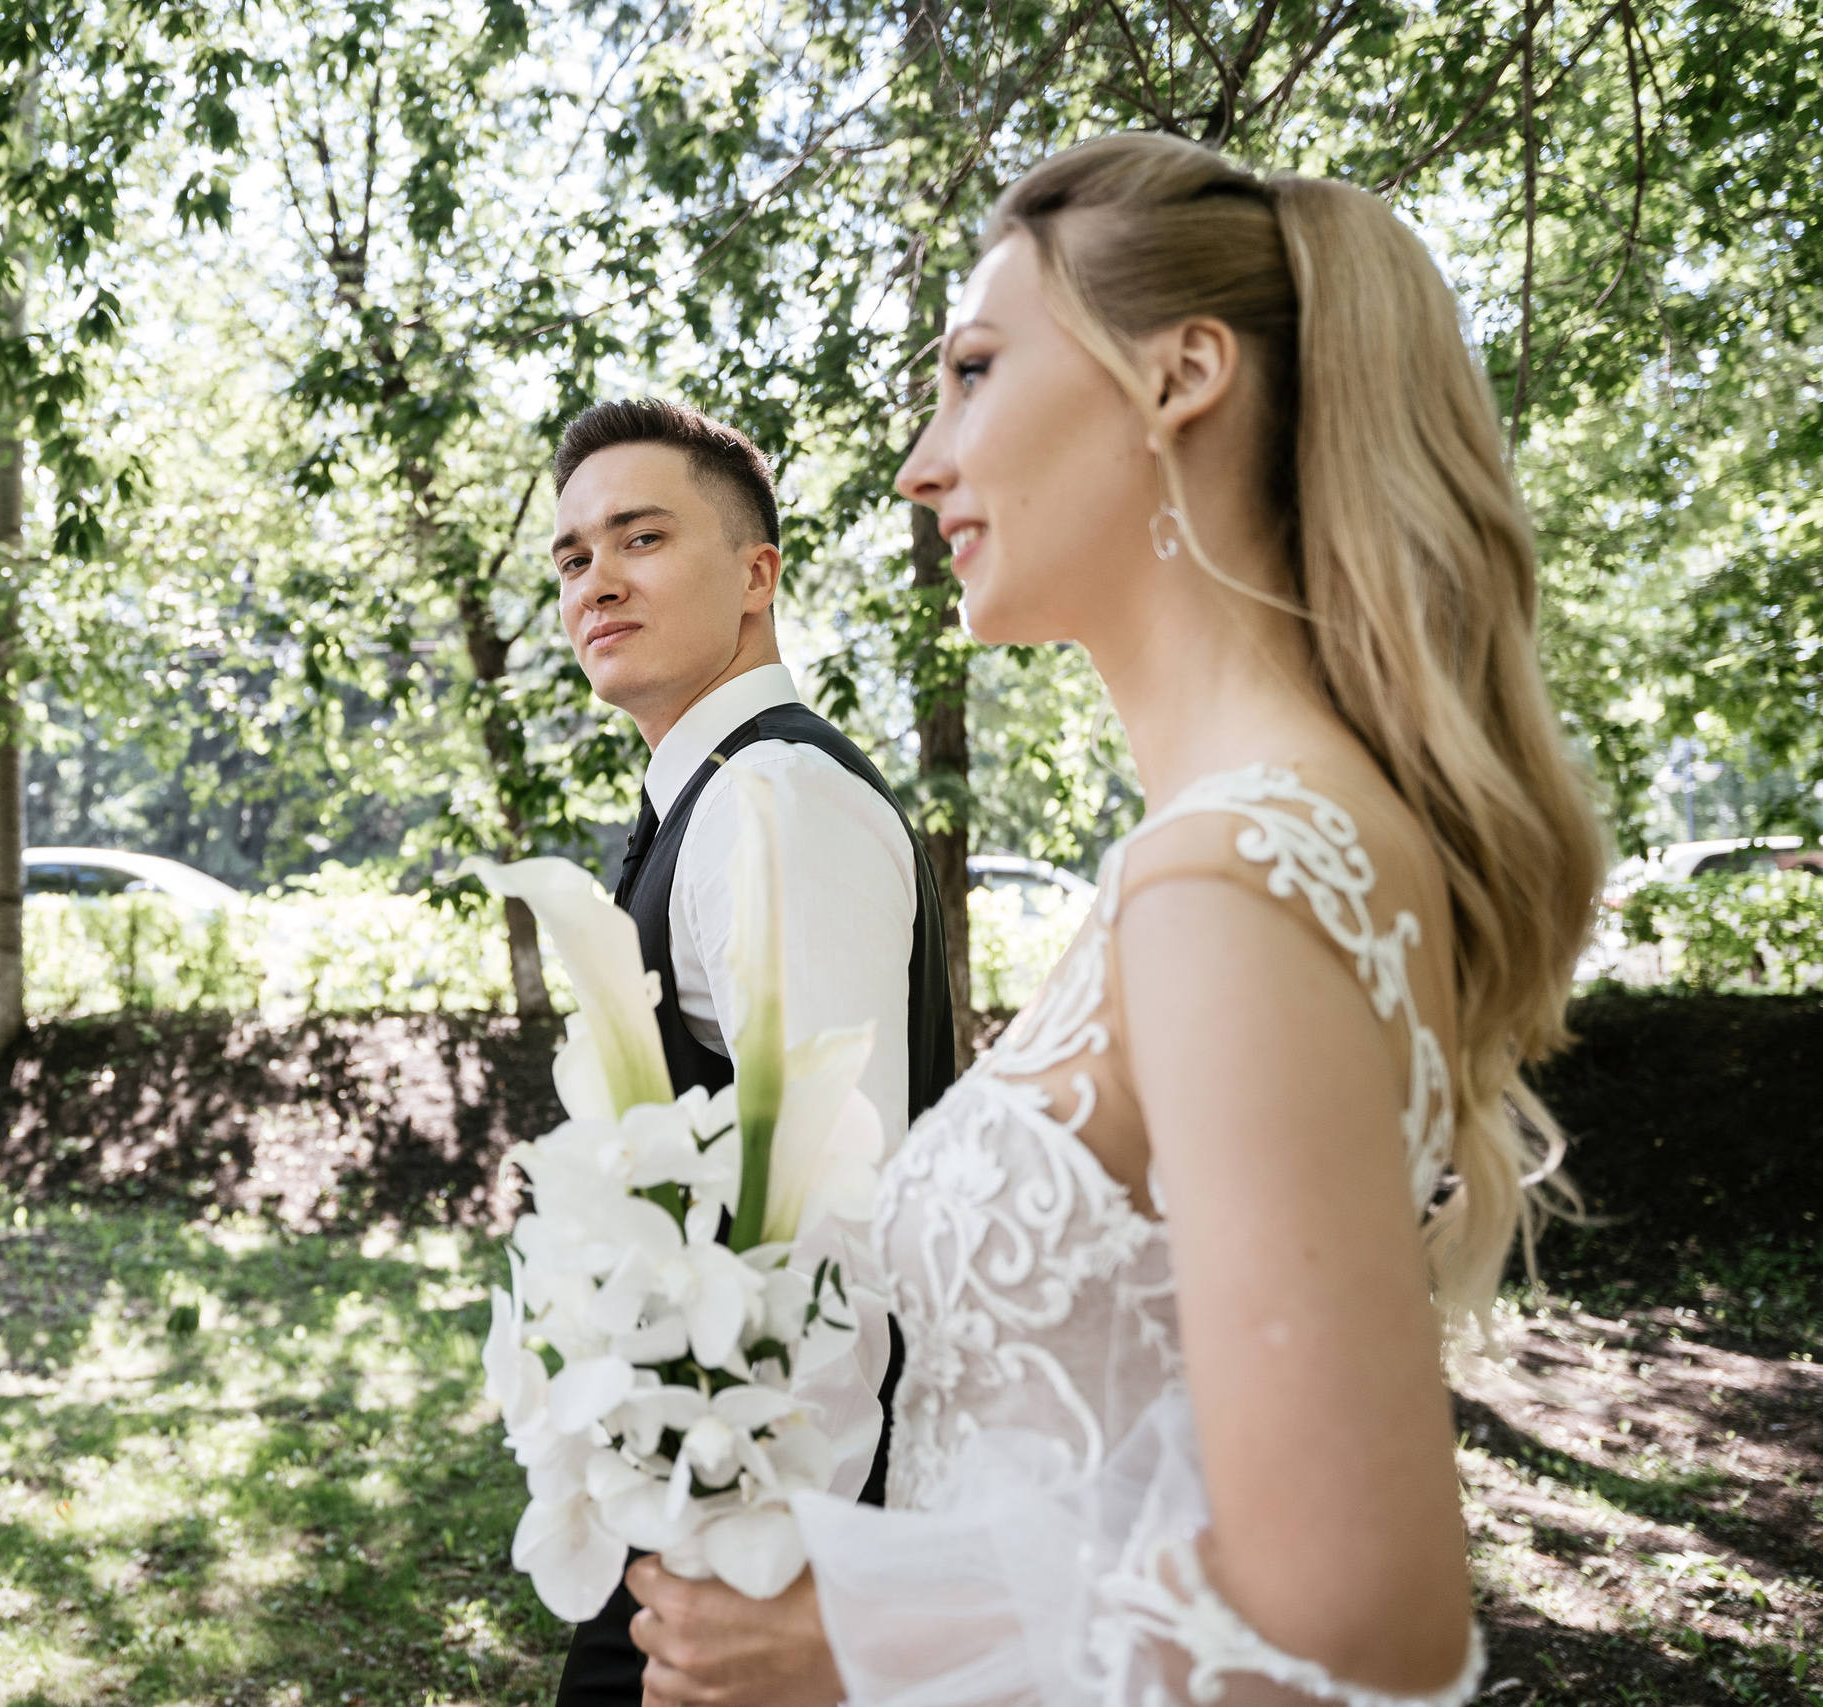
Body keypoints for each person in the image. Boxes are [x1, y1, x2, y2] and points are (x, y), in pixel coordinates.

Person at [616, 134, 1606, 1707]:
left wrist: (858, 1642)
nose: (920, 463)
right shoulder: (1243, 841)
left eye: (977, 371)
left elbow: (1364, 1621)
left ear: (1179, 380)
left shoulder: (1231, 870)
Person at [545, 398, 964, 1707]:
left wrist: (773, 1581)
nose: (594, 580)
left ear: (755, 573)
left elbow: (839, 1210)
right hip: (686, 1490)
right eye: (569, 558)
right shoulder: (715, 796)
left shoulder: (773, 800)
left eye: (641, 537)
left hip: (747, 1535)